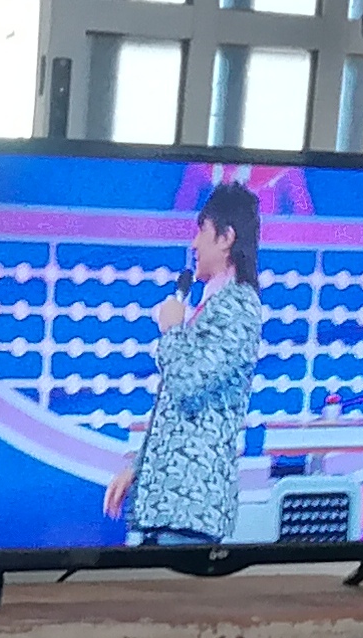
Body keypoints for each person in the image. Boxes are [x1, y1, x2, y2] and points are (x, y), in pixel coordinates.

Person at [102, 180, 267, 547]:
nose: (193, 245)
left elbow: (187, 384)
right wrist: (140, 468)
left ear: (226, 238)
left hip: (191, 511)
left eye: (201, 232)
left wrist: (172, 330)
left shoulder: (238, 307)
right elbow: (179, 413)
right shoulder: (213, 304)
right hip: (168, 509)